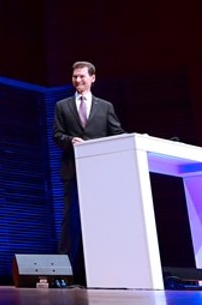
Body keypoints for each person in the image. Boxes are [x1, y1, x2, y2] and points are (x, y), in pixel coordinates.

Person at [53, 60, 125, 286]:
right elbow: (57, 135)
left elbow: (116, 133)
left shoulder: (106, 107)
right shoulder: (62, 106)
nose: (78, 80)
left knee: (98, 222)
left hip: (99, 173)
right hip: (72, 170)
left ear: (92, 78)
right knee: (70, 221)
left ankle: (97, 272)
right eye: (75, 77)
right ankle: (62, 275)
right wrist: (69, 140)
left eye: (82, 77)